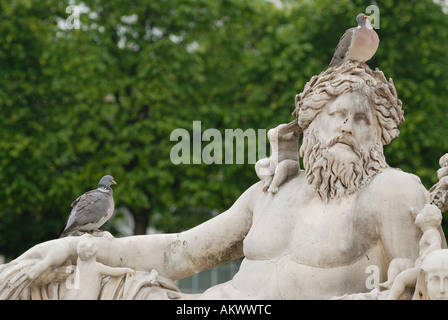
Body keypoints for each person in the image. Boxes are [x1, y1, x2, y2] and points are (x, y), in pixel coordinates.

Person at [1, 62, 445, 299]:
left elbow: (423, 283)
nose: (348, 126)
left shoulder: (392, 191)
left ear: (380, 134)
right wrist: (79, 245)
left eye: (362, 119)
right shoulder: (270, 193)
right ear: (309, 124)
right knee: (60, 278)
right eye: (336, 115)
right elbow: (178, 253)